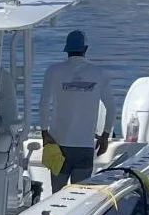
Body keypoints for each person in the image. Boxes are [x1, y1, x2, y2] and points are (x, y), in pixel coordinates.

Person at [39, 29, 108, 185]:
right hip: (85, 146)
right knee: (79, 198)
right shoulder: (99, 73)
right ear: (85, 49)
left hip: (59, 143)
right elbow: (111, 107)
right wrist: (105, 135)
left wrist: (44, 132)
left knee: (56, 197)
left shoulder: (53, 71)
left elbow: (43, 103)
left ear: (67, 49)